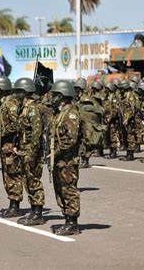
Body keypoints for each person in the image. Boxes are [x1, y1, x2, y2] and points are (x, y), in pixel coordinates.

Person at [50, 80, 81, 236]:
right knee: (60, 190)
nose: (52, 98)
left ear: (63, 95)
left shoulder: (71, 113)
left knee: (69, 190)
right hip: (60, 160)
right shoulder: (60, 113)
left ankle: (72, 223)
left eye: (55, 95)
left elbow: (71, 139)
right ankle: (67, 219)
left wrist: (56, 152)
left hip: (68, 160)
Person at [14, 78, 46, 226]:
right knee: (28, 181)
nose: (16, 94)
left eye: (18, 91)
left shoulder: (32, 109)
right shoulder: (24, 107)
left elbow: (36, 131)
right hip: (24, 150)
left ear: (25, 92)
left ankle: (38, 213)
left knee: (33, 180)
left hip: (31, 151)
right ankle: (33, 210)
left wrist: (33, 151)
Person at [0, 76, 23, 218]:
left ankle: (15, 206)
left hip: (10, 145)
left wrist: (1, 134)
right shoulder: (6, 102)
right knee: (7, 175)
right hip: (6, 145)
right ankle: (12, 204)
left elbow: (15, 124)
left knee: (12, 175)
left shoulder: (10, 103)